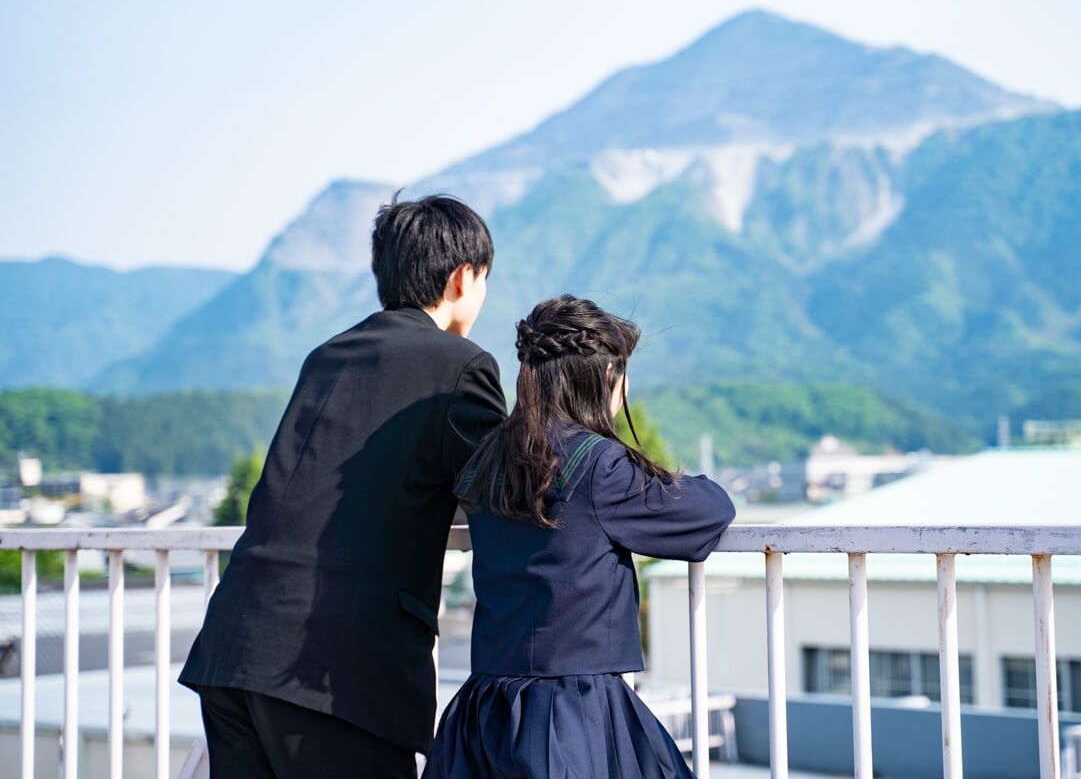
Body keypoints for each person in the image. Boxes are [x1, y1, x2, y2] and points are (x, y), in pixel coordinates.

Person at [179, 194, 507, 778]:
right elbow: (507, 488)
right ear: (464, 278)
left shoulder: (327, 354)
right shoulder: (461, 366)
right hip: (333, 672)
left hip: (234, 647)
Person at [424, 295, 735, 779]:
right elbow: (709, 512)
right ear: (604, 377)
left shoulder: (486, 460)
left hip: (485, 711)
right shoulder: (598, 467)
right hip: (573, 715)